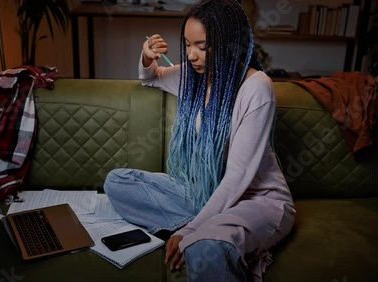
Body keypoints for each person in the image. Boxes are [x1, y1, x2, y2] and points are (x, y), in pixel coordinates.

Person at [103, 0, 296, 281]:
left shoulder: (256, 87)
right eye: (187, 44)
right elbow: (150, 78)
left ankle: (207, 233)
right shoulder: (191, 76)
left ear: (230, 43)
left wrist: (190, 231)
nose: (192, 55)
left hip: (256, 200)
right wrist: (147, 57)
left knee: (205, 248)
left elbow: (239, 176)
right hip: (204, 191)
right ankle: (211, 224)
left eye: (202, 47)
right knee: (117, 182)